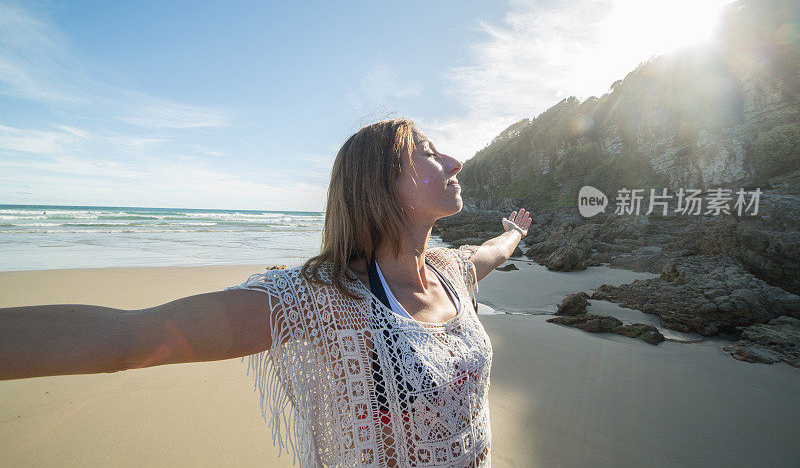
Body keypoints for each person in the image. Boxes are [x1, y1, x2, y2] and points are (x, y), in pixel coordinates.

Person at [0, 118, 532, 467]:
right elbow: (126, 337)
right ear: (380, 181)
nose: (454, 162)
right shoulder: (324, 300)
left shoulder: (449, 271)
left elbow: (492, 252)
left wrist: (515, 233)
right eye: (429, 152)